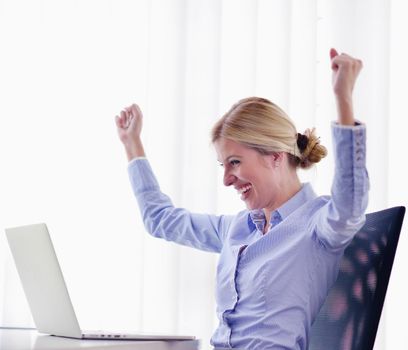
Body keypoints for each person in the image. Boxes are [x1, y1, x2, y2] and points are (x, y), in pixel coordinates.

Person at [115, 48, 369, 350]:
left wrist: (344, 100)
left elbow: (350, 204)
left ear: (275, 156)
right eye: (224, 166)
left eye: (234, 162)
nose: (226, 180)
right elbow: (161, 221)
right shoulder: (238, 229)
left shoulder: (320, 225)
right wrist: (132, 144)